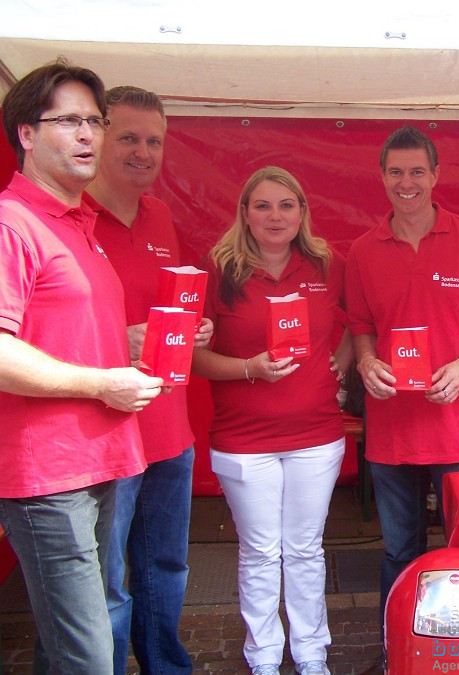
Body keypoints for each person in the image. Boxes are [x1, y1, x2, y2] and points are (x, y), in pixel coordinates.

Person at [0, 59, 163, 673]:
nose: (88, 135)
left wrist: (126, 340)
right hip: (50, 477)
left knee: (69, 647)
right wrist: (102, 383)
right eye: (69, 121)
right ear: (26, 134)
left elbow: (55, 331)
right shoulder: (12, 223)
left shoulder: (78, 224)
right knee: (90, 657)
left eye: (94, 121)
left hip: (98, 465)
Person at [344, 126, 459, 640]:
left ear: (436, 175)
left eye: (417, 171)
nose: (406, 182)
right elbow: (361, 327)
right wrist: (368, 361)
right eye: (396, 172)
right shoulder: (364, 250)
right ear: (382, 177)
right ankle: (401, 649)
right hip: (394, 431)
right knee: (399, 550)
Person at [192, 166, 351, 675]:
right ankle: (263, 657)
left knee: (305, 549)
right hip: (243, 439)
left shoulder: (328, 265)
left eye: (286, 205)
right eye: (262, 205)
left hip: (316, 435)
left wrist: (343, 360)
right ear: (245, 213)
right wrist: (250, 368)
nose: (275, 216)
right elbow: (194, 358)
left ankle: (310, 655)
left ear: (302, 212)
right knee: (260, 552)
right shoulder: (218, 269)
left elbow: (363, 323)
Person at [86, 85, 213, 674]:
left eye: (154, 141)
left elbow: (168, 308)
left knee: (165, 568)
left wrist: (195, 327)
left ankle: (165, 667)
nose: (143, 152)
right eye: (129, 137)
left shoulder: (160, 213)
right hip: (102, 436)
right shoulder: (70, 217)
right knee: (105, 584)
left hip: (169, 429)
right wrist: (119, 340)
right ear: (96, 136)